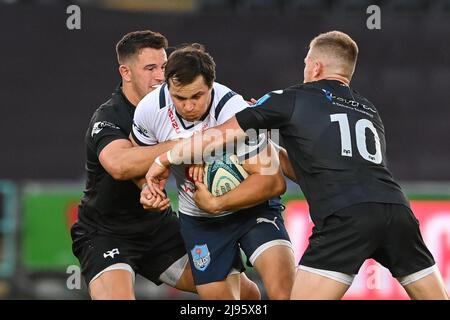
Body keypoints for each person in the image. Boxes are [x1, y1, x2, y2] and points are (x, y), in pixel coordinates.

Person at [144, 31, 449, 300]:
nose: (304, 68)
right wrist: (267, 142)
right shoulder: (367, 109)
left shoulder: (289, 98)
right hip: (396, 211)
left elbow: (218, 135)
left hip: (344, 219)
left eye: (306, 61)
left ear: (315, 66)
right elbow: (314, 168)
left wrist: (164, 159)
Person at [70, 30, 260, 300]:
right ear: (126, 72)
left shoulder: (183, 102)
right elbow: (120, 165)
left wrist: (243, 121)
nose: (160, 75)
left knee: (244, 294)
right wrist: (190, 146)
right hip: (107, 233)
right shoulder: (109, 116)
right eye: (150, 68)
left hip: (159, 227)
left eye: (164, 66)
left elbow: (234, 125)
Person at [132, 44, 296, 300]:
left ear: (211, 86)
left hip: (253, 209)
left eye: (197, 96)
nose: (187, 106)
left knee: (285, 293)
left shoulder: (237, 110)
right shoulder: (149, 109)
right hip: (200, 221)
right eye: (179, 98)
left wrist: (217, 203)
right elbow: (139, 159)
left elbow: (273, 181)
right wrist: (148, 188)